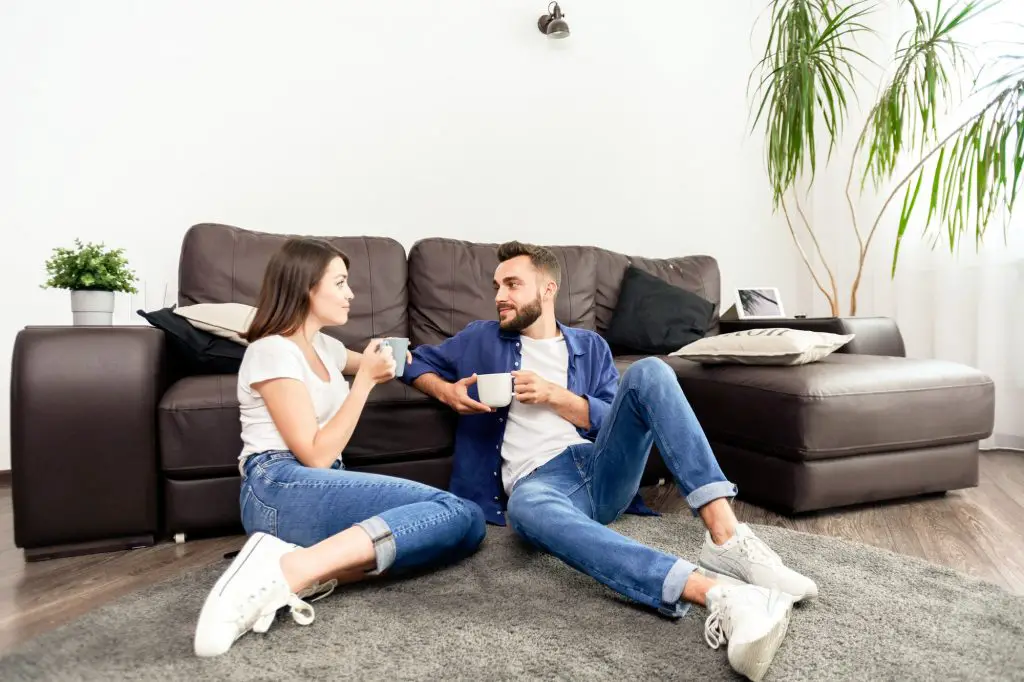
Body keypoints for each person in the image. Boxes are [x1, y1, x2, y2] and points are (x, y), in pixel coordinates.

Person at [401, 241, 817, 681]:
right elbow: (414, 362)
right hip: (539, 484)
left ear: (548, 289)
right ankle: (718, 593)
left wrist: (557, 397)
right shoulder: (481, 338)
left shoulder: (591, 346)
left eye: (512, 284)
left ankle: (726, 539)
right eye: (496, 285)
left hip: (599, 466)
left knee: (651, 372)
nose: (500, 294)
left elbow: (613, 418)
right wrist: (447, 392)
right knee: (526, 510)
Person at [193, 238, 486, 658]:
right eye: (341, 282)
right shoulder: (271, 350)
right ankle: (291, 569)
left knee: (467, 530)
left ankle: (299, 571)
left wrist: (445, 387)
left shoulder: (325, 348)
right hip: (279, 485)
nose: (351, 294)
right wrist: (363, 381)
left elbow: (393, 363)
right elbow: (314, 454)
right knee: (453, 511)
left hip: (317, 487)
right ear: (306, 287)